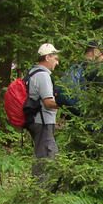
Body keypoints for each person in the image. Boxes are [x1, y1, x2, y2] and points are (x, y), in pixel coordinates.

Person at [26, 43, 60, 176]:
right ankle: (40, 190)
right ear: (47, 57)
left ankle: (40, 188)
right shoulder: (43, 76)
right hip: (43, 121)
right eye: (55, 58)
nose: (56, 62)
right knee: (46, 155)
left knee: (43, 153)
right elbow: (47, 102)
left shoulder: (32, 72)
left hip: (37, 120)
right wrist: (65, 105)